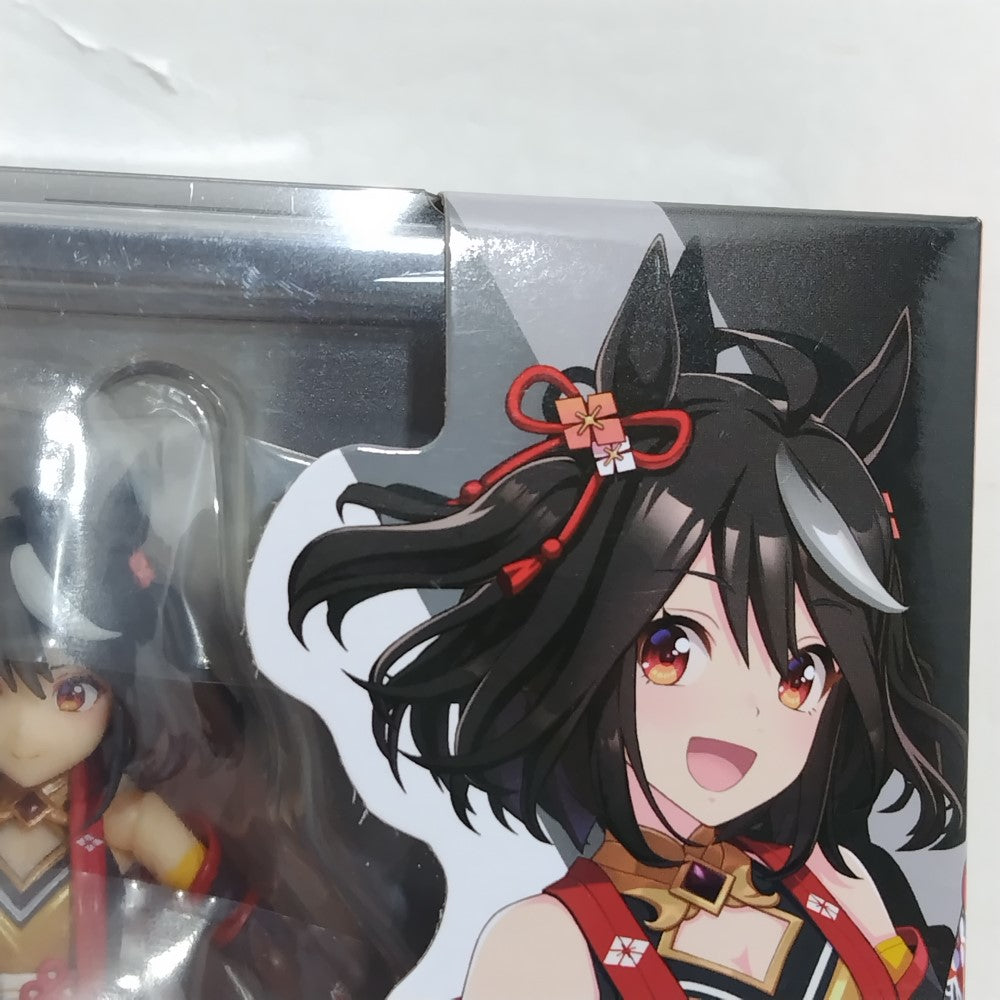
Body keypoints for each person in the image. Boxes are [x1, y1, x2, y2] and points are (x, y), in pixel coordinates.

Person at [288, 237, 966, 999]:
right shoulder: (548, 946)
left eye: (799, 674)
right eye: (674, 647)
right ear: (587, 634)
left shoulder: (840, 891)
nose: (744, 714)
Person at [0, 477, 258, 999]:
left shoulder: (124, 817)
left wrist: (277, 955)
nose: (24, 731)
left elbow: (226, 909)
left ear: (117, 698)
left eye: (72, 693)